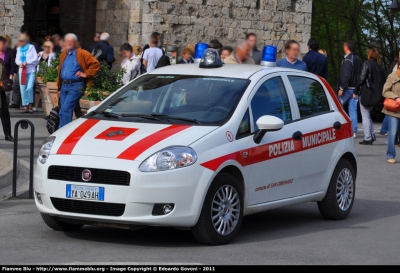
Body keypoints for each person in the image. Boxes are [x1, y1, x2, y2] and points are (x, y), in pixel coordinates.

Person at [57, 33, 100, 128]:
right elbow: (61, 69)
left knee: (66, 109)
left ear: (75, 43)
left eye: (71, 41)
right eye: (67, 41)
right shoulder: (64, 53)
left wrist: (86, 74)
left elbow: (95, 64)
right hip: (64, 85)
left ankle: (62, 132)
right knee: (62, 110)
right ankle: (65, 130)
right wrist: (59, 87)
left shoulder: (82, 53)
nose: (68, 43)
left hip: (75, 85)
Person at [354, 48, 385, 145]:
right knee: (367, 114)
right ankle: (371, 134)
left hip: (367, 94)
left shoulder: (367, 64)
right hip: (377, 95)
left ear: (369, 55)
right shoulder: (380, 67)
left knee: (365, 115)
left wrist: (356, 90)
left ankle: (368, 137)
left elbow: (361, 79)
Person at [338, 41, 362, 138]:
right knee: (353, 110)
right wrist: (357, 90)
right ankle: (353, 131)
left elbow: (346, 75)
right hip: (355, 89)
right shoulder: (358, 59)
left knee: (338, 107)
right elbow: (360, 76)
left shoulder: (348, 60)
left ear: (347, 47)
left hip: (347, 88)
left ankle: (338, 129)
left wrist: (341, 88)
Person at [382, 59, 400, 164]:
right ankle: (390, 155)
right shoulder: (392, 76)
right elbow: (385, 91)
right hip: (394, 109)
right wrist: (396, 97)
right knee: (392, 133)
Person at [15, 34, 38, 113]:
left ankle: (30, 105)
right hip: (22, 71)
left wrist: (28, 62)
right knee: (23, 89)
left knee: (29, 87)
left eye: (22, 41)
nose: (20, 43)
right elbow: (17, 60)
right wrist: (20, 63)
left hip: (30, 70)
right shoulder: (18, 49)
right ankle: (25, 106)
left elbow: (35, 58)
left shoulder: (31, 47)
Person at [34, 40, 56, 112]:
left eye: (48, 47)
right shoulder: (40, 54)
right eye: (45, 46)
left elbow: (53, 65)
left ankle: (50, 106)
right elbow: (34, 62)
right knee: (37, 91)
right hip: (39, 74)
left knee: (47, 90)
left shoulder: (53, 54)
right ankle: (36, 106)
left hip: (48, 74)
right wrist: (35, 57)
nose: (46, 48)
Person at [0, 48, 13, 141]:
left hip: (0, 91)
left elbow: (4, 75)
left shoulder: (1, 61)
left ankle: (8, 134)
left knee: (4, 113)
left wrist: (4, 82)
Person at [0, 37, 16, 104]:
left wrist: (11, 75)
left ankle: (4, 110)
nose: (3, 45)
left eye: (3, 44)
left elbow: (12, 66)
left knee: (5, 94)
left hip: (5, 77)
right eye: (1, 44)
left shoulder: (8, 53)